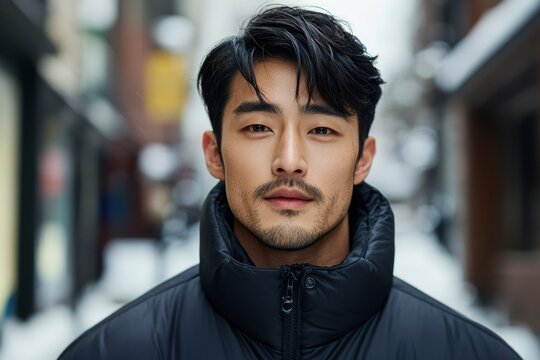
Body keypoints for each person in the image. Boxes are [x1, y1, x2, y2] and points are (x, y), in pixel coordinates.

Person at [59, 5, 521, 360]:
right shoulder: (116, 350)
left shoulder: (465, 352)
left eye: (322, 130)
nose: (289, 161)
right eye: (258, 127)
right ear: (214, 153)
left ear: (363, 159)